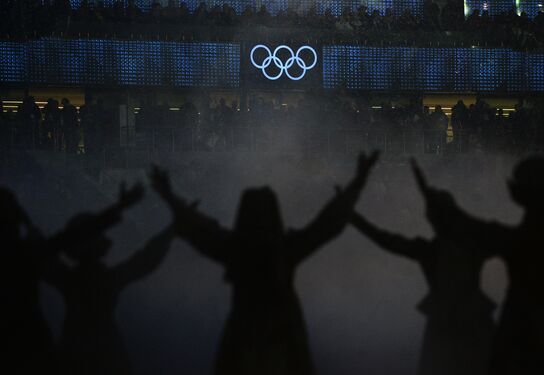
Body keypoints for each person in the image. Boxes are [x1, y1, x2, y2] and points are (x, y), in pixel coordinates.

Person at [151, 152, 379, 375]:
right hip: (274, 347)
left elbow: (200, 230)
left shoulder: (238, 250)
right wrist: (359, 181)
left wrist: (169, 196)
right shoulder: (281, 250)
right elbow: (326, 224)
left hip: (252, 347)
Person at [351, 160, 496, 375]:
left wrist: (352, 217)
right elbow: (387, 240)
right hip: (471, 321)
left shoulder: (431, 250)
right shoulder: (475, 246)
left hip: (446, 323)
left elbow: (386, 240)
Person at [412, 157, 544, 375]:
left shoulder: (516, 240)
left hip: (517, 334)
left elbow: (467, 226)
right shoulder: (522, 240)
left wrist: (428, 194)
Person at [1, 182, 144, 374]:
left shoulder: (28, 253)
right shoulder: (28, 253)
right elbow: (72, 236)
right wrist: (119, 208)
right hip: (34, 348)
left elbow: (72, 237)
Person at [45, 223, 174, 375]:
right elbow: (145, 260)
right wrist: (170, 232)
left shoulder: (69, 280)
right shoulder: (106, 280)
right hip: (105, 353)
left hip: (77, 351)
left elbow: (144, 260)